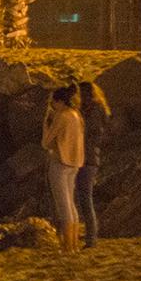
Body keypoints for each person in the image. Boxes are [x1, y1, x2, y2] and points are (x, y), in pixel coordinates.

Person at [41, 84, 84, 254]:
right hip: (75, 162)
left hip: (60, 162)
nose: (52, 105)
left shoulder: (62, 116)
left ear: (59, 102)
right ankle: (74, 245)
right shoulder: (76, 115)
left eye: (53, 102)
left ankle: (67, 247)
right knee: (71, 206)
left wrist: (46, 123)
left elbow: (46, 143)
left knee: (63, 206)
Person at [75, 80, 110, 249]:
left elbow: (94, 134)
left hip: (86, 158)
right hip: (88, 157)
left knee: (85, 199)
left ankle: (91, 238)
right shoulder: (97, 110)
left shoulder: (91, 111)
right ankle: (89, 236)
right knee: (83, 199)